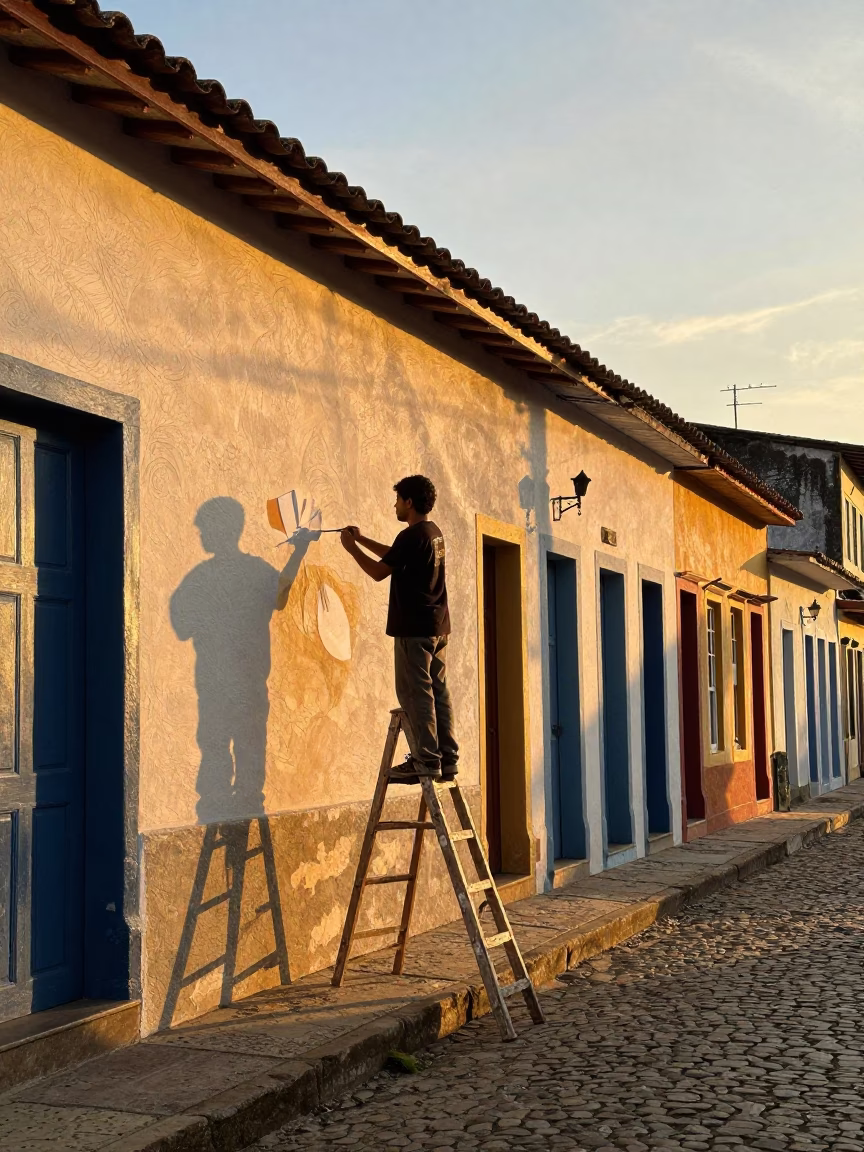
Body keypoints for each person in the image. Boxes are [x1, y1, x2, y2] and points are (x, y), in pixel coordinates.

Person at [340, 475, 458, 783]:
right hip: (437, 627)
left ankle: (425, 759)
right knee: (437, 691)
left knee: (415, 693)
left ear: (408, 501)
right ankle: (447, 759)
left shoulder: (411, 536)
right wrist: (362, 539)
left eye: (397, 499)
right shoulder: (432, 534)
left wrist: (352, 550)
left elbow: (380, 571)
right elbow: (395, 556)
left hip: (413, 629)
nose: (394, 504)